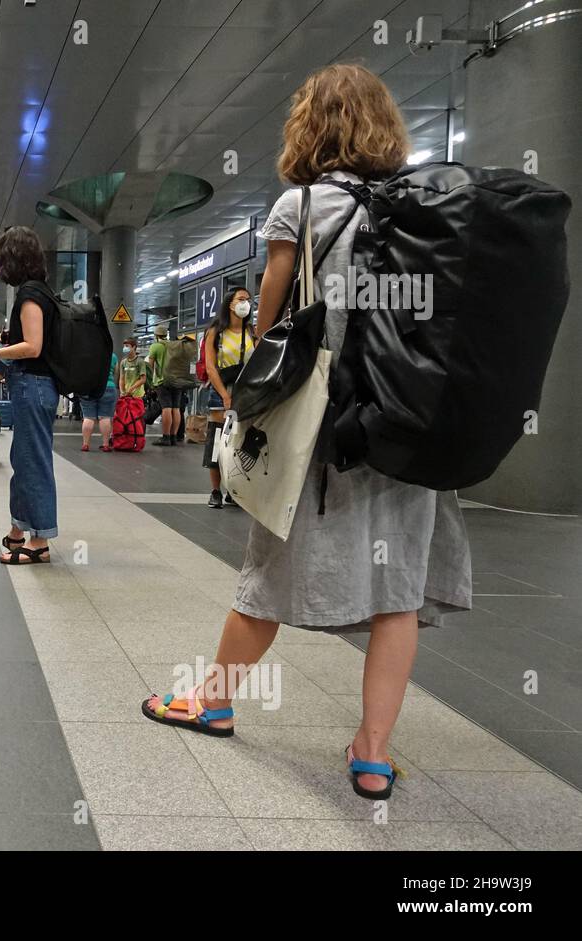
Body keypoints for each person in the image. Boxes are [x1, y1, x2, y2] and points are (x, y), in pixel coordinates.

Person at [141, 63, 472, 801]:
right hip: (406, 426)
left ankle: (214, 699)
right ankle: (373, 753)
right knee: (400, 593)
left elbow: (270, 329)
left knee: (265, 574)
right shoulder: (417, 204)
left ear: (311, 126)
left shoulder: (302, 205)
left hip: (325, 430)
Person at [0, 226, 58, 565]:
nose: (0, 269)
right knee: (23, 461)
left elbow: (33, 347)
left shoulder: (31, 294)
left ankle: (40, 541)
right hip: (31, 387)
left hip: (33, 385)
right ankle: (19, 530)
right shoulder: (37, 292)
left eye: (3, 260)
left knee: (34, 464)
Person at [201, 288, 255, 505]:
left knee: (239, 442)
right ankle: (215, 491)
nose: (246, 304)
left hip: (245, 393)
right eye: (241, 299)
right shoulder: (215, 332)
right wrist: (224, 395)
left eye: (248, 300)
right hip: (221, 390)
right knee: (217, 441)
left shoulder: (251, 331)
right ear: (229, 304)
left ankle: (233, 490)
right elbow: (211, 368)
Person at [147, 323, 188, 447]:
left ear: (156, 335)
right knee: (176, 409)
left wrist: (151, 383)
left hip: (163, 381)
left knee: (166, 408)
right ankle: (174, 437)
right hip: (177, 381)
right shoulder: (175, 345)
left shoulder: (156, 346)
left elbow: (150, 366)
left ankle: (166, 437)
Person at [79, 352, 118, 452]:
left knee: (88, 417)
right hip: (107, 386)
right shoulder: (112, 355)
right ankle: (105, 445)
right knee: (104, 417)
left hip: (87, 387)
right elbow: (115, 372)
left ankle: (85, 444)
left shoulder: (85, 354)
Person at [118, 337, 147, 402]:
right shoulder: (123, 362)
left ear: (134, 347)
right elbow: (121, 378)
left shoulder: (140, 361)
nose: (124, 348)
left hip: (138, 395)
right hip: (126, 395)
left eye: (127, 346)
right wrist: (122, 391)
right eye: (124, 346)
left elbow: (143, 379)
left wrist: (131, 389)